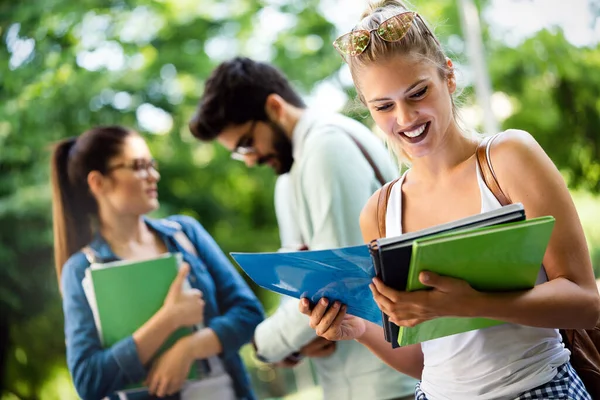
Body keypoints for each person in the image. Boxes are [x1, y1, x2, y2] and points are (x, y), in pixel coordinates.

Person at [299, 1, 600, 399]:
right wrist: (359, 331)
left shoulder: (507, 159)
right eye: (384, 106)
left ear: (449, 77)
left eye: (418, 93)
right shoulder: (379, 212)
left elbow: (585, 301)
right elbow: (425, 360)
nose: (405, 118)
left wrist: (472, 302)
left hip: (540, 387)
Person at [189, 57, 417, 399]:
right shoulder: (294, 169)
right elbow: (298, 283)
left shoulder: (327, 148)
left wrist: (263, 344)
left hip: (386, 379)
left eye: (247, 143)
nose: (250, 159)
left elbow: (337, 280)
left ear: (274, 107)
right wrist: (300, 341)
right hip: (355, 380)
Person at [50, 126, 264, 400]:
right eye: (139, 166)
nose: (154, 175)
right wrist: (169, 319)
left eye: (152, 164)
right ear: (98, 183)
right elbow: (88, 381)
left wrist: (189, 347)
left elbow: (249, 313)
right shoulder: (81, 269)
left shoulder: (185, 234)